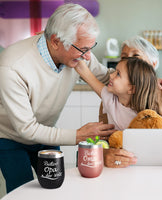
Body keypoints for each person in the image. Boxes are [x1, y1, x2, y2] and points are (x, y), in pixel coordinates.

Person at [0, 3, 117, 193]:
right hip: (10, 137)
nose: (88, 57)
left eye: (90, 47)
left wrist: (147, 81)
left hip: (45, 132)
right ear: (55, 41)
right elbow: (26, 129)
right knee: (21, 191)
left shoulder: (78, 53)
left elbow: (106, 76)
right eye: (82, 49)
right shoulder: (12, 67)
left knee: (56, 187)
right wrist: (79, 135)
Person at [101, 36, 162, 168]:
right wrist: (105, 154)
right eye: (124, 57)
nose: (129, 61)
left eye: (135, 56)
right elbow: (100, 143)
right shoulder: (111, 98)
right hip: (121, 171)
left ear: (153, 65)